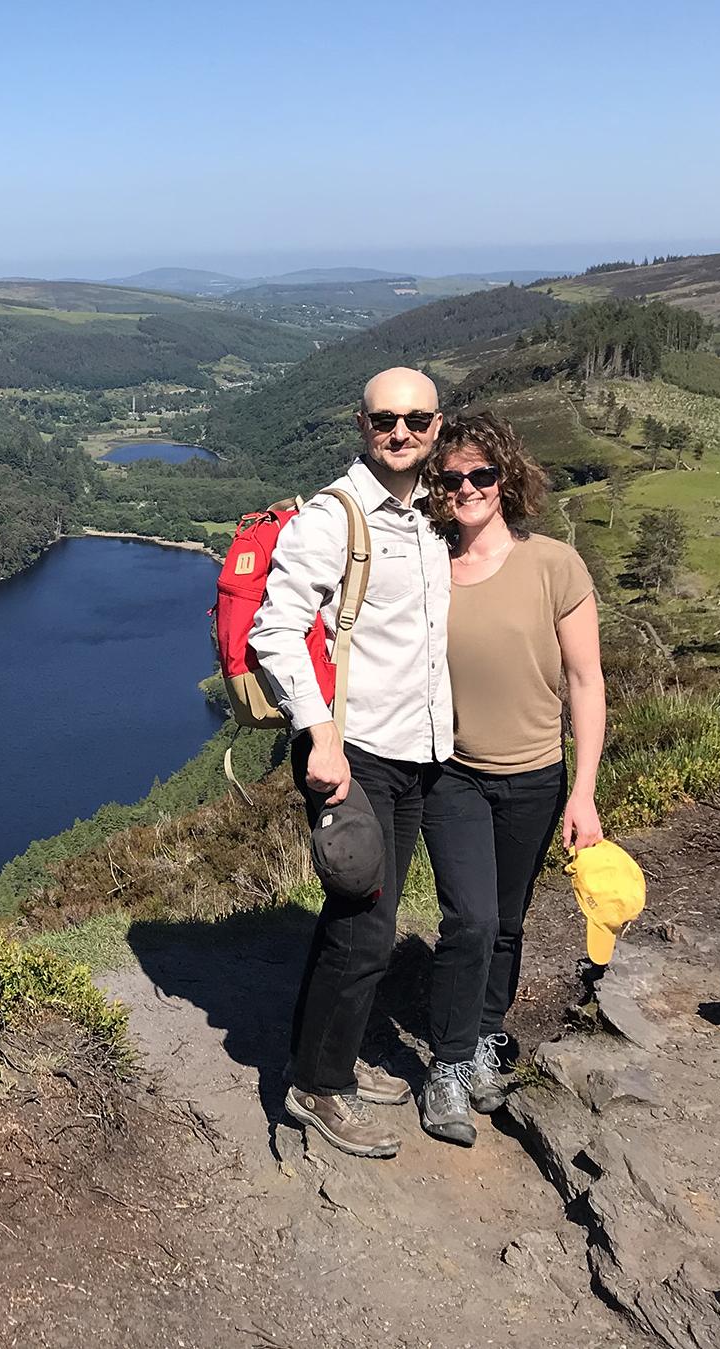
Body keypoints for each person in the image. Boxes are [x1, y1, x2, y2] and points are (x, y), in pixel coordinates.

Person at [249, 366, 453, 1159]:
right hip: (353, 750)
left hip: (415, 749)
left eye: (416, 419)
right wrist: (319, 730)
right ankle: (316, 1088)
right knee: (366, 927)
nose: (399, 432)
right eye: (383, 420)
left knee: (359, 918)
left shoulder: (429, 513)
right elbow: (274, 630)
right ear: (359, 425)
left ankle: (324, 1061)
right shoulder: (332, 518)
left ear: (436, 424)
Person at [415, 410, 606, 1146]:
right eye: (451, 476)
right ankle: (448, 1064)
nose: (465, 487)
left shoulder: (554, 564)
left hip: (535, 775)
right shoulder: (428, 562)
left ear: (505, 478)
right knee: (470, 919)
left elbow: (585, 683)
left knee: (506, 921)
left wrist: (583, 792)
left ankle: (485, 1037)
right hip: (451, 772)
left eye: (480, 474)